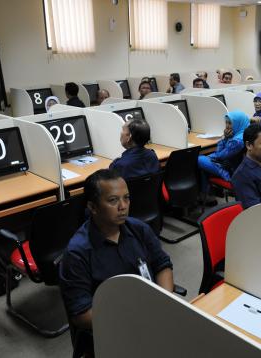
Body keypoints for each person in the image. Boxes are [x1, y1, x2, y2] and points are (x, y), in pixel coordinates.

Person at [59, 169, 174, 356]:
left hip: (151, 313)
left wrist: (165, 301)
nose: (123, 206)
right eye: (113, 200)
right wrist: (133, 321)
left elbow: (162, 264)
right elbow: (81, 314)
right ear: (93, 207)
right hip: (114, 328)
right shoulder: (77, 253)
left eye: (126, 198)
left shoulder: (138, 229)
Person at [197, 110, 249, 191]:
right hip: (231, 165)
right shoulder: (243, 133)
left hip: (232, 171)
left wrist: (225, 138)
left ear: (237, 123)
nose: (227, 126)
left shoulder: (237, 141)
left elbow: (220, 155)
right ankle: (207, 195)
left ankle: (223, 175)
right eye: (226, 123)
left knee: (199, 159)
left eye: (230, 123)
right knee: (204, 163)